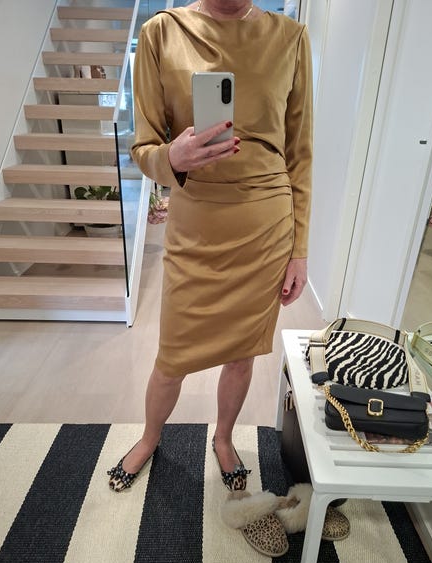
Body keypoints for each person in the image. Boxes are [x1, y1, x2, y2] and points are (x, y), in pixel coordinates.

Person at [108, 0, 313, 493]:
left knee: (242, 354)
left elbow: (300, 153)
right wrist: (171, 157)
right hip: (196, 221)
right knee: (172, 356)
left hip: (266, 224)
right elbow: (142, 146)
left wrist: (299, 248)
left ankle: (223, 438)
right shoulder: (162, 31)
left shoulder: (290, 38)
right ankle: (150, 437)